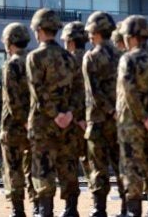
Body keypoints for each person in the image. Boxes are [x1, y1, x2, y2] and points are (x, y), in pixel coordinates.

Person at [26, 8, 81, 217]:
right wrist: (68, 114)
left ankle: (45, 211)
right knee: (68, 166)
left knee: (42, 167)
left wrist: (55, 113)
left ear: (39, 29)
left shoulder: (35, 57)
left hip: (43, 123)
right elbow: (79, 91)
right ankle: (71, 210)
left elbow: (37, 92)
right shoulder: (69, 57)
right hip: (67, 124)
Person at [116, 15, 148, 217]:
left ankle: (134, 212)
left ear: (132, 37)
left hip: (132, 124)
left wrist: (143, 117)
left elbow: (129, 91)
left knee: (131, 169)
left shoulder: (128, 59)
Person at [82, 11, 124, 217]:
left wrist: (108, 110)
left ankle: (100, 209)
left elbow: (93, 92)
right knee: (121, 165)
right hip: (119, 121)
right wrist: (118, 112)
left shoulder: (91, 57)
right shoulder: (122, 56)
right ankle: (127, 208)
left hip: (98, 121)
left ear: (97, 32)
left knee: (98, 167)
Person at [0, 23, 35, 217]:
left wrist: (22, 121)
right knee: (33, 169)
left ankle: (17, 210)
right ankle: (38, 207)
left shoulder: (11, 64)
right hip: (35, 125)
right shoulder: (33, 60)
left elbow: (12, 99)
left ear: (9, 42)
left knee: (13, 170)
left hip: (14, 127)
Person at [60, 21, 91, 196]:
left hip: (70, 121)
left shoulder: (65, 62)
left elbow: (62, 92)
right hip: (91, 120)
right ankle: (98, 205)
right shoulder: (92, 58)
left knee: (68, 164)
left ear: (70, 41)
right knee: (92, 164)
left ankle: (71, 207)